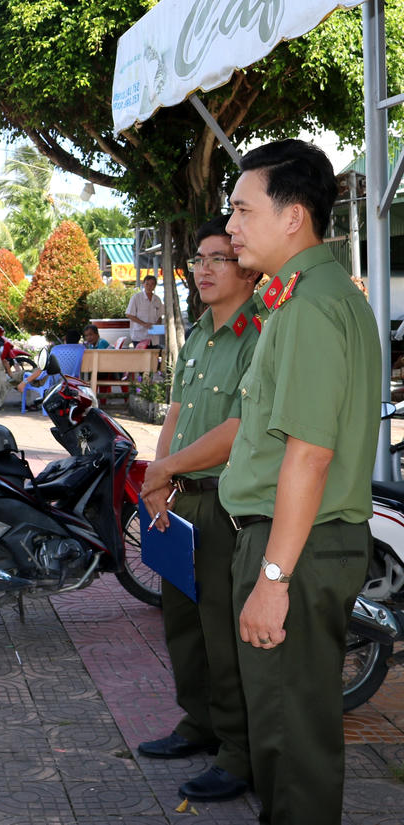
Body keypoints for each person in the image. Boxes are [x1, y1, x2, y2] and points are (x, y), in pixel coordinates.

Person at [219, 139, 379, 824]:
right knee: (284, 739)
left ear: (293, 217)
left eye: (242, 209)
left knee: (293, 749)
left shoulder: (312, 304)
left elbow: (309, 456)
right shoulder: (307, 296)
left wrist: (274, 579)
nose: (230, 227)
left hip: (297, 547)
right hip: (299, 542)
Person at [135, 215, 264, 803]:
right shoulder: (200, 337)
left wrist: (168, 471)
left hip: (225, 504)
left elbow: (240, 429)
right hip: (181, 501)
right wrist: (158, 476)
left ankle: (239, 753)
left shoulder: (260, 334)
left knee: (222, 631)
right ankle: (200, 723)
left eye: (219, 257)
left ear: (246, 266)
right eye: (199, 260)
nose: (205, 269)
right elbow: (177, 415)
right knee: (182, 623)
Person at [15, 329, 85, 398]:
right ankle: (11, 377)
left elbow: (41, 371)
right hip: (71, 381)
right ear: (78, 340)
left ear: (65, 340)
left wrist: (24, 382)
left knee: (23, 374)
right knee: (22, 374)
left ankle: (10, 377)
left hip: (51, 380)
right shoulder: (82, 350)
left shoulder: (56, 350)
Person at [126, 274, 163, 345]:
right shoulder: (136, 297)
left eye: (152, 284)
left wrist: (156, 325)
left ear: (155, 286)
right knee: (141, 355)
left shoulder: (157, 299)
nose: (149, 286)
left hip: (154, 335)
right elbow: (129, 314)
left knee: (154, 355)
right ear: (143, 284)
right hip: (139, 335)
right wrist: (144, 324)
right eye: (147, 284)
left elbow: (160, 316)